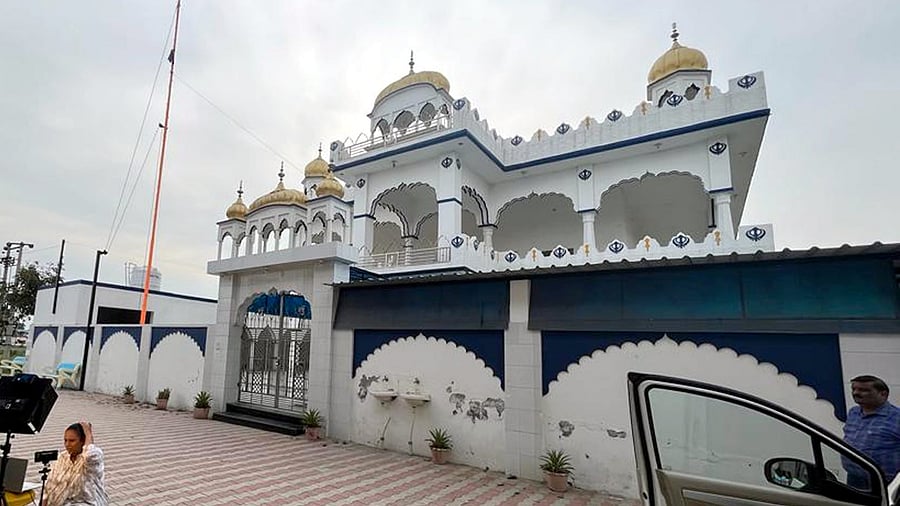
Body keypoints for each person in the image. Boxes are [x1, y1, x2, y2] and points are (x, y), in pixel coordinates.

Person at [843, 375, 900, 490]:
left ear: (883, 394)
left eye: (863, 390)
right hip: (854, 478)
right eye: (854, 389)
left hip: (884, 482)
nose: (856, 393)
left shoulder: (896, 417)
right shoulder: (853, 413)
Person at [42, 421, 109, 506]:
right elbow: (50, 485)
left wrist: (88, 433)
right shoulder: (62, 457)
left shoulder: (93, 458)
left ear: (83, 441)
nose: (67, 444)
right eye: (65, 440)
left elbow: (90, 455)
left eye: (72, 441)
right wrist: (44, 501)